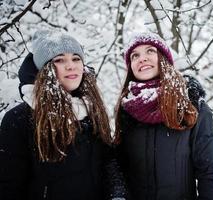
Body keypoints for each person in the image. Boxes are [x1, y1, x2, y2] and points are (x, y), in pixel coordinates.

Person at [0, 30, 127, 200]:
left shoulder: (93, 110)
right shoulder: (19, 119)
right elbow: (9, 187)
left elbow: (107, 162)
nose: (71, 65)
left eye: (76, 58)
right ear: (45, 69)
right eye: (59, 60)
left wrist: (117, 195)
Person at [114, 32, 213, 200]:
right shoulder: (126, 110)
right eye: (135, 55)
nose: (142, 58)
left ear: (163, 58)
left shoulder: (191, 104)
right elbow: (118, 165)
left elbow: (210, 172)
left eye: (150, 51)